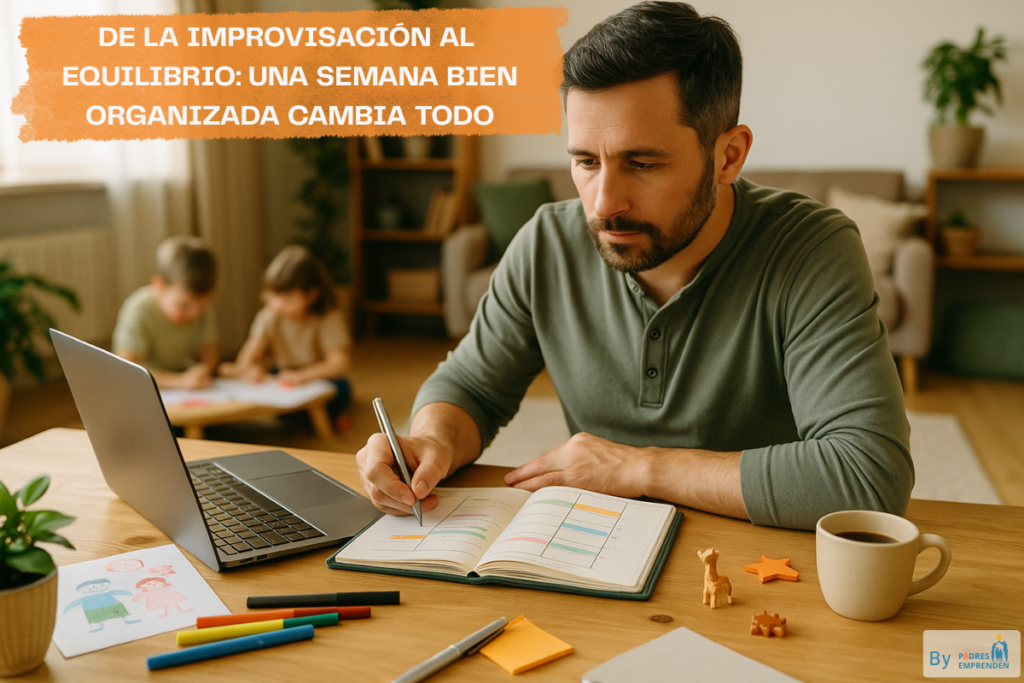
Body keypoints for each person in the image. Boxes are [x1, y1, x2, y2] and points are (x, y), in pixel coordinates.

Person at [356, 1, 912, 531]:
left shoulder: (811, 248)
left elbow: (867, 475)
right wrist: (431, 441)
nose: (603, 204)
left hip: (753, 559)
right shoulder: (546, 243)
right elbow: (471, 387)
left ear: (728, 156)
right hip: (598, 545)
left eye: (642, 163)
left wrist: (640, 468)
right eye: (585, 161)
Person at [220, 245, 353, 428]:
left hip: (317, 376)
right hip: (282, 373)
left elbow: (339, 363)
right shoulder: (270, 315)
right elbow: (250, 353)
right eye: (274, 296)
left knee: (340, 391)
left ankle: (305, 415)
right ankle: (297, 414)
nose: (279, 304)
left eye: (288, 298)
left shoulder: (327, 317)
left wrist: (302, 376)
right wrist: (250, 370)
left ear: (312, 295)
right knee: (257, 384)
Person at [112, 236, 218, 390]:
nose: (194, 314)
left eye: (202, 306)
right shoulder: (139, 310)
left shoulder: (199, 308)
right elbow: (126, 371)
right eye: (182, 306)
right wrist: (180, 381)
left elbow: (210, 355)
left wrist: (203, 370)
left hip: (184, 385)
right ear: (159, 286)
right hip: (144, 387)